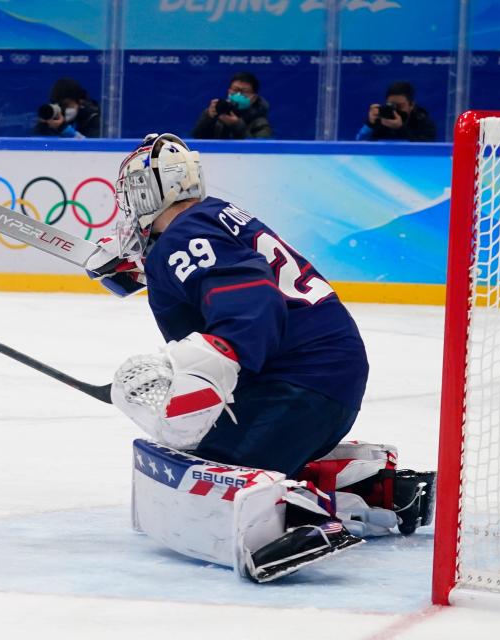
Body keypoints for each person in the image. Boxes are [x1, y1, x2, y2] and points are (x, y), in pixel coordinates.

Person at [84, 134, 435, 581]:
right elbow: (223, 276)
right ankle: (373, 490)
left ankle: (302, 519)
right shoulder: (211, 220)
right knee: (212, 458)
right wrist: (150, 265)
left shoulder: (186, 236)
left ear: (158, 190)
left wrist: (207, 369)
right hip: (322, 378)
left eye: (134, 194)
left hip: (297, 385)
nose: (130, 209)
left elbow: (250, 301)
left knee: (208, 479)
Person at [191, 71, 272, 140]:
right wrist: (208, 117)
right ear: (229, 91)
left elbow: (259, 149)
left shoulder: (260, 123)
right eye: (235, 90)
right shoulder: (218, 113)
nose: (238, 94)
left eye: (244, 91)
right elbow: (197, 140)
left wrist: (237, 126)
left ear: (254, 97)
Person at [356, 81, 437, 142]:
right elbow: (359, 144)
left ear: (411, 105)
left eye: (400, 106)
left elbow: (426, 149)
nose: (395, 110)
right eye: (391, 105)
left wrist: (400, 129)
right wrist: (370, 125)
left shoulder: (423, 121)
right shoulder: (381, 118)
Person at [32, 77, 101, 139]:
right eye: (57, 105)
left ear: (80, 102)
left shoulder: (92, 119)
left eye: (65, 105)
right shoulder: (51, 121)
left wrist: (64, 128)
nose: (61, 109)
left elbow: (92, 147)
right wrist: (43, 126)